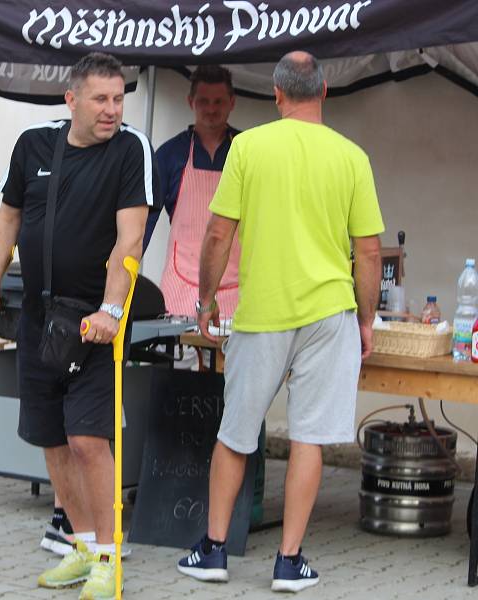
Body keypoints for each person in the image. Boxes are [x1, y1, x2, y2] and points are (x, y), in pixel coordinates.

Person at [178, 51, 383, 593]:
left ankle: (214, 551)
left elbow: (218, 234)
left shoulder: (248, 147)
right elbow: (368, 253)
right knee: (310, 439)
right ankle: (290, 562)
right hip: (328, 314)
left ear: (276, 94)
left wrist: (205, 298)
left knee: (235, 434)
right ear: (324, 93)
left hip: (263, 313)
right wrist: (365, 321)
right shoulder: (352, 156)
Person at [0, 52, 159, 599]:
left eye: (119, 98)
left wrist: (112, 310)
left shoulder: (131, 150)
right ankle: (80, 547)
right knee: (52, 440)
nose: (112, 110)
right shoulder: (33, 146)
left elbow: (131, 240)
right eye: (101, 99)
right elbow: (7, 217)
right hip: (36, 314)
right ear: (71, 99)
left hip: (92, 319)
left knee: (87, 440)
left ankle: (108, 555)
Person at [144, 65, 241, 322]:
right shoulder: (169, 154)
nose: (211, 109)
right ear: (190, 102)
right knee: (179, 359)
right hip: (180, 286)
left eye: (219, 101)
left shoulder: (247, 151)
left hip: (237, 289)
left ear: (232, 102)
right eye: (203, 101)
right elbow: (144, 220)